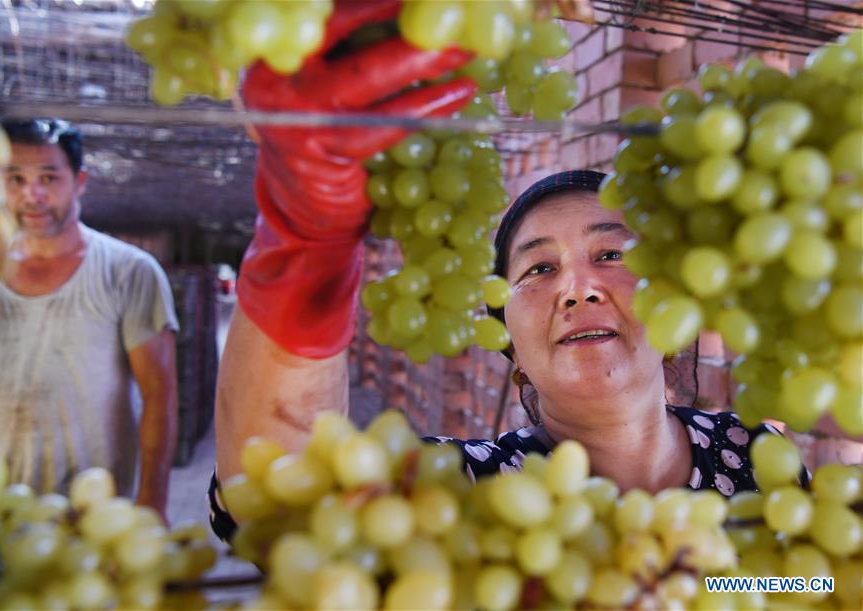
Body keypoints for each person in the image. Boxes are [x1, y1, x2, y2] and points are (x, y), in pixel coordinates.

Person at [210, 0, 806, 541]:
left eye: (612, 255)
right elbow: (272, 501)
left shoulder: (756, 459)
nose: (576, 289)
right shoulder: (460, 492)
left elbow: (807, 591)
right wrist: (307, 239)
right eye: (539, 268)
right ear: (510, 343)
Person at [0, 119, 179, 520]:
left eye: (49, 177)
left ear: (79, 181)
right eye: (15, 179)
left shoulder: (129, 271)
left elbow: (159, 396)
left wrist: (153, 502)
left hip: (92, 507)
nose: (33, 195)